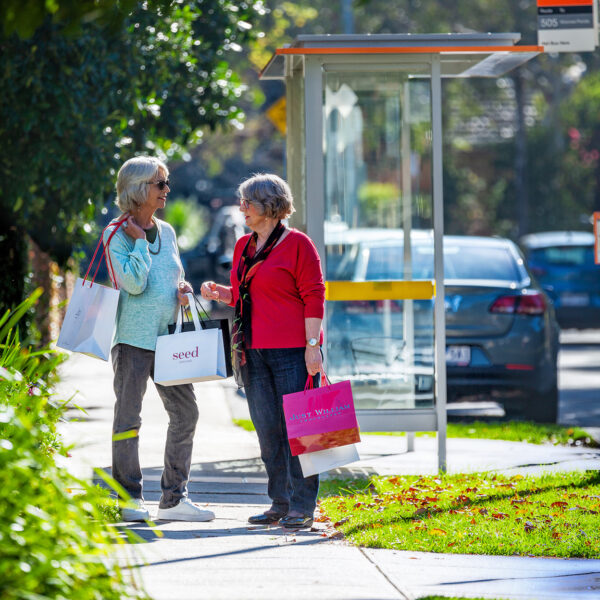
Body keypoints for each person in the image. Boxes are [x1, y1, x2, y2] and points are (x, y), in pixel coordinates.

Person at [200, 173, 325, 530]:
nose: (243, 209)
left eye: (247, 203)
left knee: (300, 431)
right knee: (268, 430)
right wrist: (221, 293)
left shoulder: (298, 244)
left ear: (270, 206)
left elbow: (314, 295)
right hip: (252, 350)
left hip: (292, 351)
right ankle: (279, 502)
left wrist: (312, 346)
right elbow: (245, 294)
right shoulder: (243, 246)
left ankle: (302, 506)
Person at [104, 156, 214, 523]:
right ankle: (129, 497)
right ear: (138, 189)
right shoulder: (115, 233)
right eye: (160, 184)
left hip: (169, 340)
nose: (167, 190)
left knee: (186, 413)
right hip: (134, 340)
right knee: (128, 418)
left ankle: (173, 499)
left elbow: (170, 275)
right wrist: (136, 243)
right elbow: (133, 285)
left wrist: (180, 290)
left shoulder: (166, 231)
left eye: (166, 183)